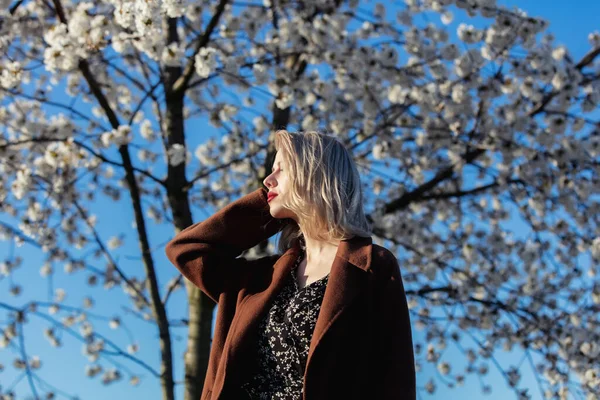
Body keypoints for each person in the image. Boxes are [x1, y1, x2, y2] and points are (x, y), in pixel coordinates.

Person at [165, 130, 416, 400]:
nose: (267, 181)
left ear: (314, 174)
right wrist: (269, 203)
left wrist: (295, 200)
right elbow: (187, 250)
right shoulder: (259, 278)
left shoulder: (370, 266)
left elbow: (394, 378)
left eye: (281, 170)